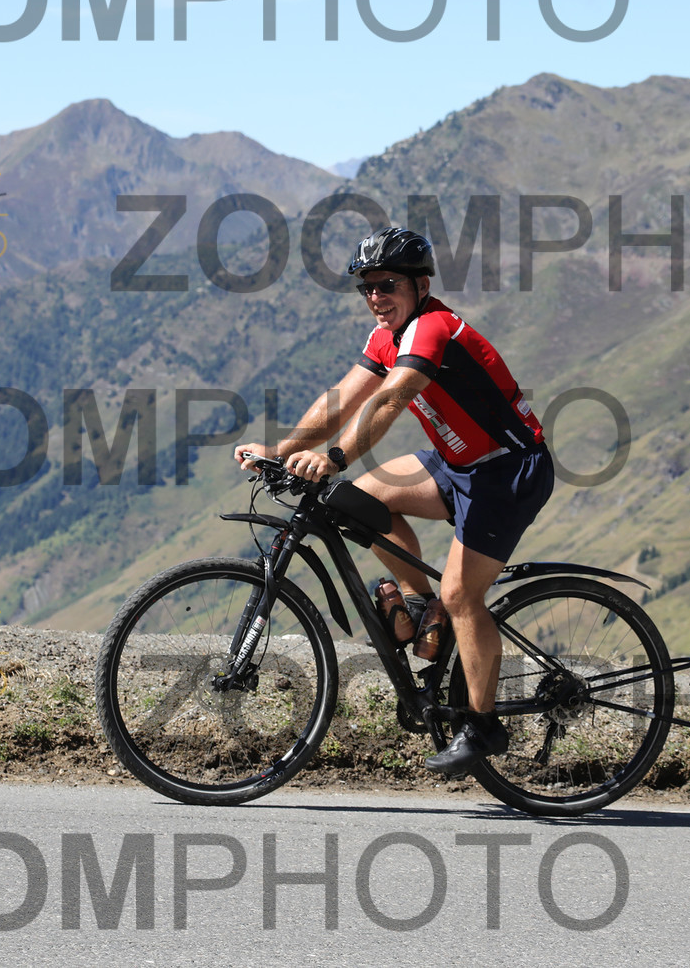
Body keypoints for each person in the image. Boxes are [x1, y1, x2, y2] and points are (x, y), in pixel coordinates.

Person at [233, 227, 554, 774]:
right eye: (368, 288)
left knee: (462, 595)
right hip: (457, 464)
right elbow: (341, 400)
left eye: (388, 285)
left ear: (420, 285)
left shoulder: (432, 329)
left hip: (508, 472)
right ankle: (419, 607)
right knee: (361, 498)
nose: (376, 297)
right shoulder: (388, 335)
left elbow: (389, 401)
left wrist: (334, 458)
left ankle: (483, 726)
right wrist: (281, 450)